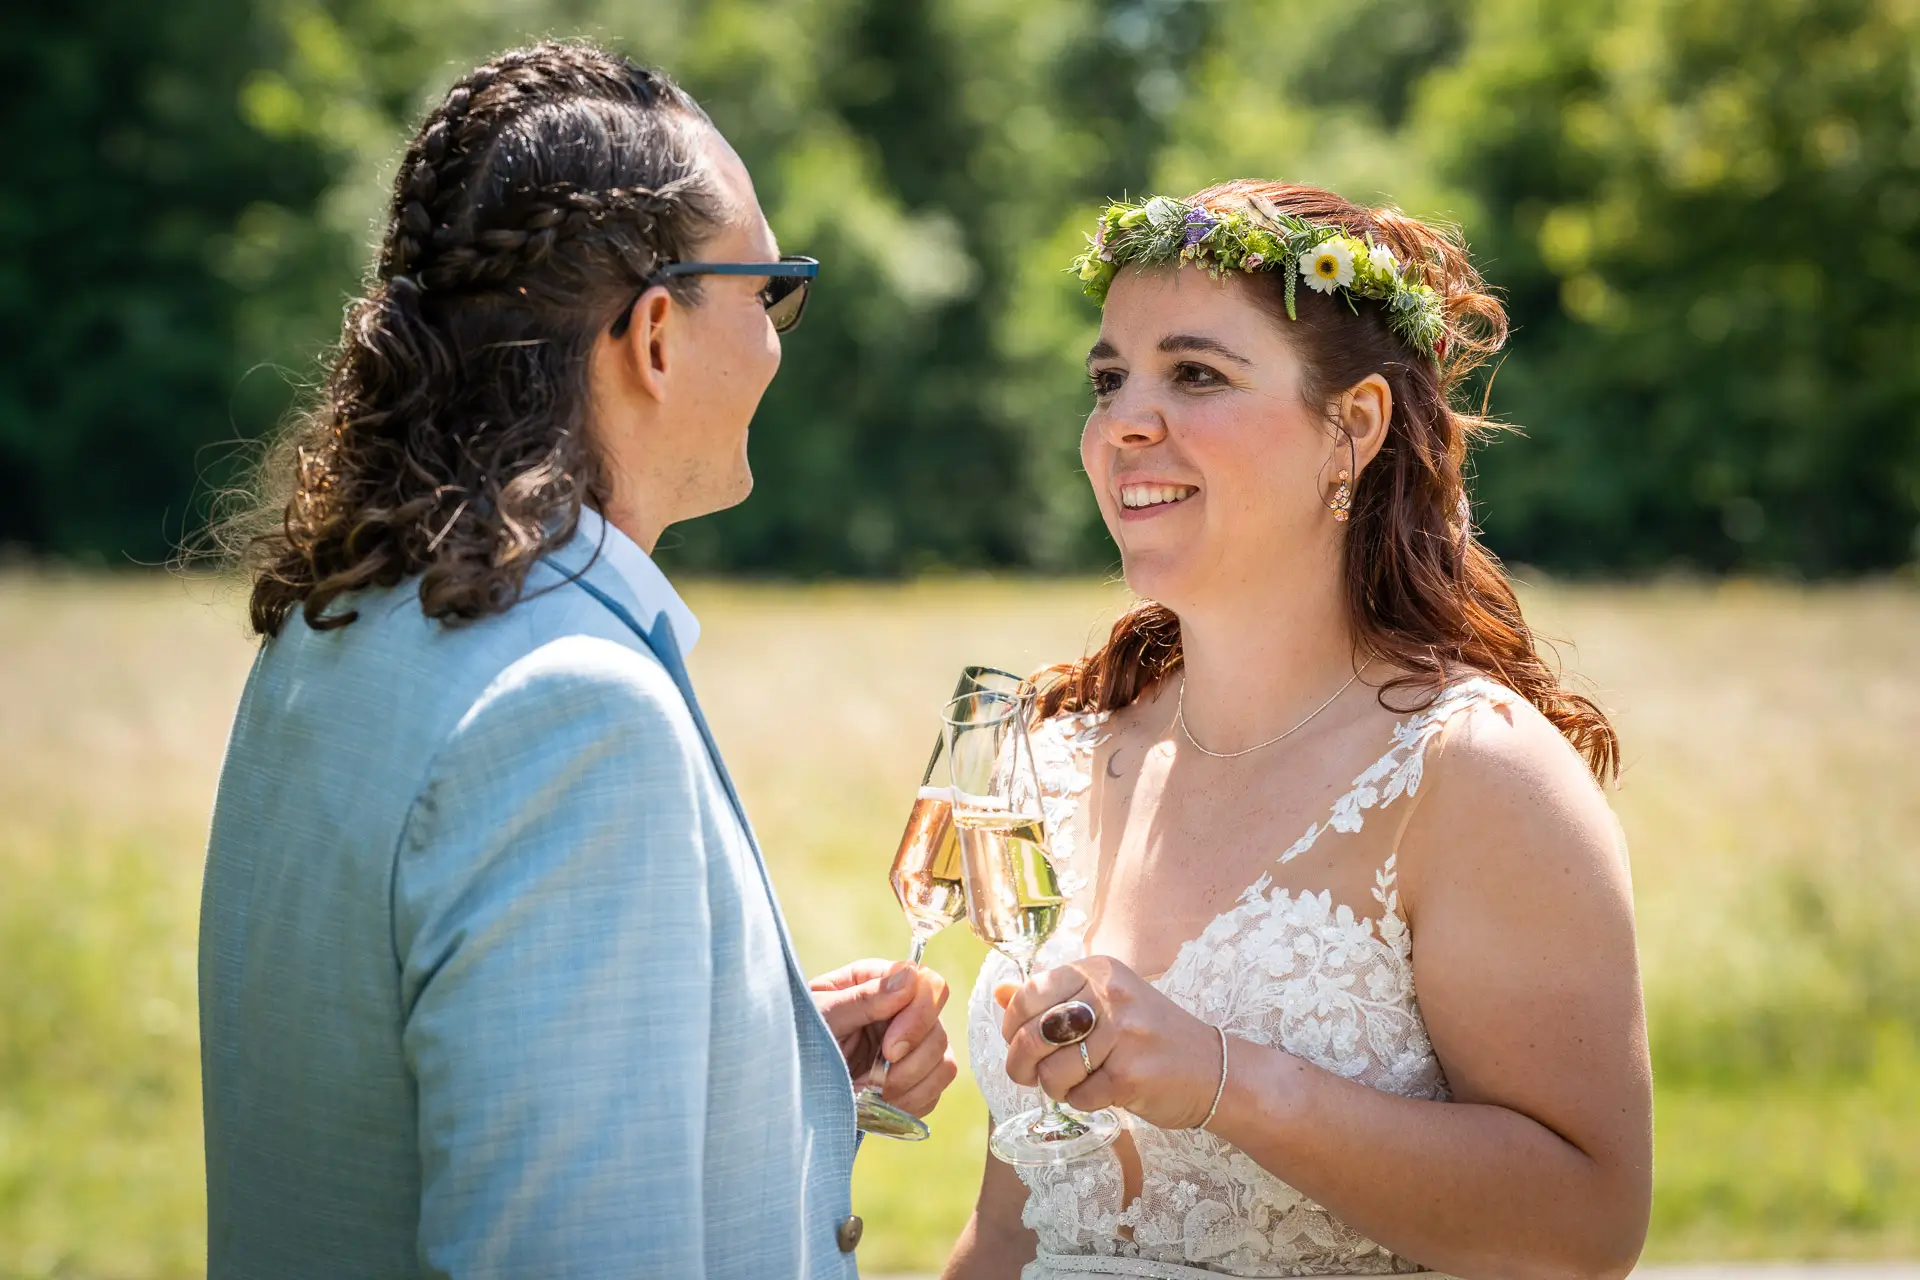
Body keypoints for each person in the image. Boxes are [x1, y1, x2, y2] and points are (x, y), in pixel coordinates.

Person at [200, 42, 955, 1278]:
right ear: (656, 334)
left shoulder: (333, 629)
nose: (776, 339)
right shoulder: (572, 711)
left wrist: (749, 1049)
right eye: (769, 292)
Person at [944, 183, 1653, 1279]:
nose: (1126, 419)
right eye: (1108, 377)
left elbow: (1585, 1230)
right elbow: (1008, 1230)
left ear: (1353, 425)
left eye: (1196, 373)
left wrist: (1229, 1079)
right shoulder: (1056, 755)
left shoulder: (1468, 769)